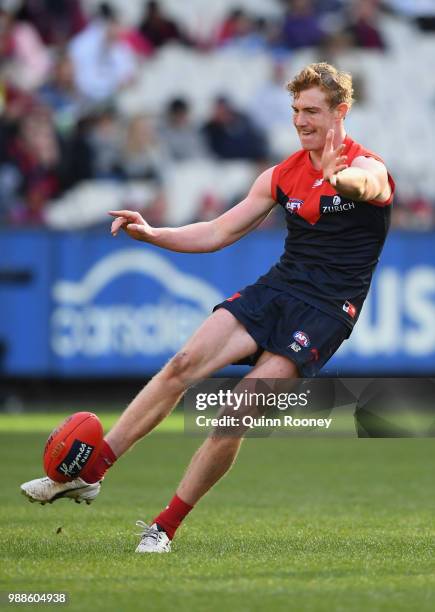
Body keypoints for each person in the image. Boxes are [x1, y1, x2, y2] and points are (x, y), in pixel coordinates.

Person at [20, 63, 394, 553]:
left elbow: (367, 188)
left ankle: (164, 527)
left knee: (234, 413)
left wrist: (340, 179)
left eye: (312, 111)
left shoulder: (368, 167)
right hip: (277, 290)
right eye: (295, 111)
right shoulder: (282, 174)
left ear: (341, 111)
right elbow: (219, 231)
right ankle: (90, 472)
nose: (300, 121)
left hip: (325, 312)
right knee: (181, 366)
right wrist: (153, 233)